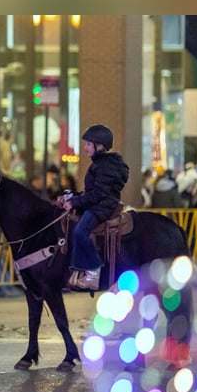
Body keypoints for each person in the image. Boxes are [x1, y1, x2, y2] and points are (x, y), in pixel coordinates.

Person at [57, 124, 129, 291]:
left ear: (100, 146)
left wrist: (74, 203)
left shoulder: (105, 165)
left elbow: (98, 194)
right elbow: (91, 192)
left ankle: (92, 273)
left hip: (103, 206)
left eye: (89, 144)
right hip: (99, 203)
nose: (85, 148)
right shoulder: (100, 163)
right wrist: (72, 197)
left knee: (80, 231)